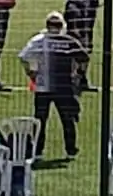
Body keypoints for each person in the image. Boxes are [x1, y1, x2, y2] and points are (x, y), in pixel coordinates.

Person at [19, 12, 86, 158]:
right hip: (64, 87)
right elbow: (83, 58)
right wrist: (78, 75)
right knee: (67, 119)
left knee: (40, 120)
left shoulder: (39, 40)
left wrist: (30, 72)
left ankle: (38, 151)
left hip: (42, 86)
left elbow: (23, 56)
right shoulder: (69, 41)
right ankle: (71, 150)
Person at [63, 0, 101, 92]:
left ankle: (70, 77)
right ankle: (81, 77)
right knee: (85, 45)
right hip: (86, 13)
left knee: (72, 43)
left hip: (72, 11)